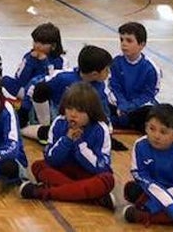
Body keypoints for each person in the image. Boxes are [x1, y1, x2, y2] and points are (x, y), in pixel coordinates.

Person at [18, 81, 115, 209]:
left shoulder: (101, 129)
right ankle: (93, 198)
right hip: (63, 171)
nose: (73, 114)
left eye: (80, 111)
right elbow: (51, 159)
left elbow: (100, 167)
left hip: (87, 174)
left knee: (107, 180)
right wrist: (67, 140)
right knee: (38, 166)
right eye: (69, 108)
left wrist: (79, 144)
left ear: (91, 112)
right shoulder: (59, 122)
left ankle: (42, 192)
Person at [123, 104, 173, 226]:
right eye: (152, 129)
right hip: (150, 190)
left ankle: (144, 216)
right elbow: (139, 174)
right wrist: (159, 195)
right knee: (131, 189)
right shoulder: (140, 145)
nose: (156, 135)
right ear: (145, 127)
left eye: (163, 132)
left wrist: (168, 196)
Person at [24, 45, 114, 141]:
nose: (109, 73)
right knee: (41, 89)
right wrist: (24, 110)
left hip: (79, 121)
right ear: (94, 74)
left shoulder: (100, 87)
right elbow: (35, 88)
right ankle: (36, 126)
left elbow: (104, 112)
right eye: (106, 70)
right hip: (54, 115)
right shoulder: (63, 77)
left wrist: (107, 131)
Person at [1, 22, 65, 128]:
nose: (37, 45)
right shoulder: (29, 56)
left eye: (43, 43)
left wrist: (45, 62)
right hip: (24, 90)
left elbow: (53, 79)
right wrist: (30, 61)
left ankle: (25, 111)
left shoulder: (59, 61)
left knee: (36, 84)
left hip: (41, 94)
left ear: (53, 46)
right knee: (5, 80)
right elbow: (20, 78)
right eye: (35, 41)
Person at [110, 22, 162, 132]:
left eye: (129, 40)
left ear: (142, 44)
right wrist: (122, 104)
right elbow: (113, 87)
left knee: (152, 113)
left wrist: (130, 107)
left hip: (139, 107)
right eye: (121, 40)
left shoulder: (151, 68)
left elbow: (148, 95)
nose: (123, 44)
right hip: (119, 105)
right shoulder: (115, 62)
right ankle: (124, 120)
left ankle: (121, 121)